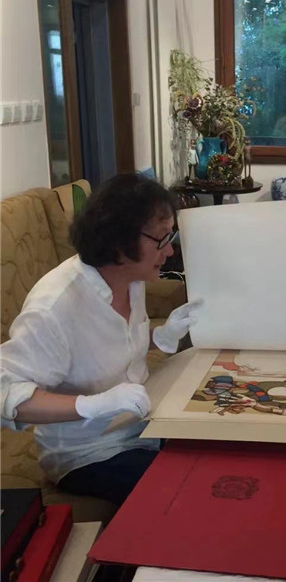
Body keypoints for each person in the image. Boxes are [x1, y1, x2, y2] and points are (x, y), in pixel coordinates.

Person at [0, 173, 202, 506]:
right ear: (120, 241)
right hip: (88, 452)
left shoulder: (130, 278)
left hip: (144, 426)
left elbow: (113, 344)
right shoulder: (55, 307)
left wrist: (162, 335)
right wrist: (91, 405)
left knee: (221, 453)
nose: (169, 251)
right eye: (162, 240)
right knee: (186, 494)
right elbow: (7, 392)